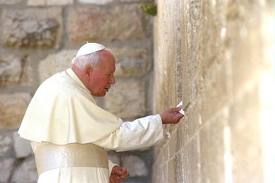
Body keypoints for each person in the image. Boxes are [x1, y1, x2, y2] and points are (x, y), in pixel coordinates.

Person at [18, 43, 184, 183]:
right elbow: (115, 136)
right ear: (89, 70)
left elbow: (72, 146)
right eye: (109, 74)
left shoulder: (63, 87)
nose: (113, 80)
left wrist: (106, 168)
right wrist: (159, 120)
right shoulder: (69, 94)